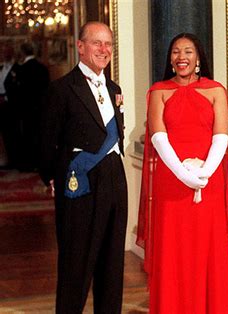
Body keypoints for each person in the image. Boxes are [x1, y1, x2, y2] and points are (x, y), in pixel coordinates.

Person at [137, 33, 228, 313]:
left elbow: (221, 137)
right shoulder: (159, 91)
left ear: (198, 58)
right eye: (176, 52)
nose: (181, 57)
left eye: (188, 51)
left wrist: (202, 173)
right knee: (174, 252)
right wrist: (184, 174)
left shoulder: (216, 90)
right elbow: (158, 137)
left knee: (207, 252)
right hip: (172, 183)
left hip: (209, 182)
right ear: (170, 59)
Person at [39, 21, 128, 313]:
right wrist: (53, 176)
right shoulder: (63, 89)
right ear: (80, 46)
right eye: (96, 43)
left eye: (108, 44)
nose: (104, 50)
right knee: (76, 262)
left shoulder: (114, 88)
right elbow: (46, 141)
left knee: (112, 261)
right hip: (81, 184)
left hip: (116, 181)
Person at [17, 42, 50, 171]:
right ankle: (39, 163)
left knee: (27, 135)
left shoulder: (22, 69)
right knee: (39, 135)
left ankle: (28, 163)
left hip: (26, 108)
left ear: (23, 52)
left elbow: (19, 90)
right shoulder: (42, 68)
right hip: (41, 107)